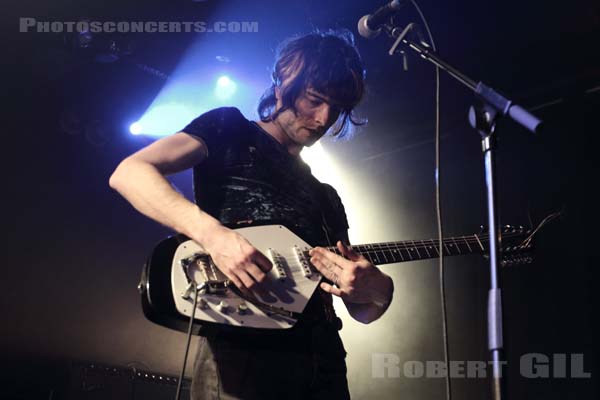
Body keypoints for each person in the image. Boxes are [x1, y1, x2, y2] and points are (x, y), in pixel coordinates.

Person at [109, 29, 394, 400]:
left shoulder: (327, 197)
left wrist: (378, 289)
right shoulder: (229, 129)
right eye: (315, 99)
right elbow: (130, 173)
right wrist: (214, 237)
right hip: (241, 354)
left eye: (336, 108)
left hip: (323, 362)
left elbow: (359, 307)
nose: (323, 119)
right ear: (282, 85)